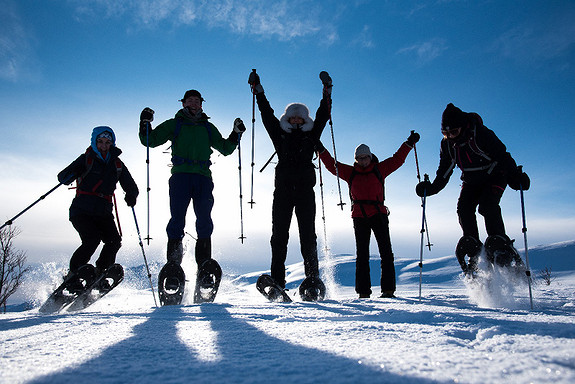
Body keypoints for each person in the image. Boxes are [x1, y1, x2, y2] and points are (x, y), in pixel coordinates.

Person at [138, 89, 245, 279]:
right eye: (190, 100)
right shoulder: (175, 124)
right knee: (177, 219)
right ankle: (173, 267)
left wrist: (235, 134)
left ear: (201, 104)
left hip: (203, 177)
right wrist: (144, 123)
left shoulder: (208, 127)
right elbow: (150, 140)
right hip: (181, 176)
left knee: (204, 220)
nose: (194, 103)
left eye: (197, 101)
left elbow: (226, 148)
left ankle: (203, 266)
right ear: (183, 103)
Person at [416, 103, 530, 274]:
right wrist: (432, 188)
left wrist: (515, 177)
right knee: (463, 208)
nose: (450, 137)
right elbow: (445, 170)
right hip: (471, 180)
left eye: (453, 132)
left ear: (462, 127)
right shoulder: (447, 144)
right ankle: (472, 246)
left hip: (495, 174)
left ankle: (500, 246)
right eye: (445, 134)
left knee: (487, 206)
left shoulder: (481, 134)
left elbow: (502, 156)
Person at [248, 71, 331, 291]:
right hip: (283, 192)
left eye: (300, 117)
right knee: (278, 236)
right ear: (288, 118)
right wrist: (259, 91)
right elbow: (267, 114)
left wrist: (327, 92)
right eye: (293, 117)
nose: (296, 120)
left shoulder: (311, 135)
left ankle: (312, 280)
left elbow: (323, 115)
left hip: (305, 192)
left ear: (305, 119)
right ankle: (278, 281)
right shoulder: (280, 134)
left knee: (308, 237)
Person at [316, 133, 419, 298]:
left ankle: (388, 290)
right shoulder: (350, 172)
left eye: (365, 157)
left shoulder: (379, 169)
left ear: (370, 157)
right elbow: (331, 165)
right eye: (359, 158)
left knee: (386, 252)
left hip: (378, 214)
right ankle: (363, 293)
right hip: (359, 216)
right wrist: (321, 149)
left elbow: (397, 159)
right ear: (356, 159)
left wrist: (408, 143)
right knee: (362, 254)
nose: (363, 160)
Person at [58, 126, 139, 291]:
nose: (104, 145)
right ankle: (74, 274)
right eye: (100, 142)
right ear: (95, 142)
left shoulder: (116, 163)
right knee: (91, 240)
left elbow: (130, 184)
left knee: (114, 241)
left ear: (112, 143)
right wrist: (74, 172)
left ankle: (101, 271)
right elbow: (63, 177)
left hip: (103, 211)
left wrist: (131, 194)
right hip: (82, 210)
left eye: (107, 142)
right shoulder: (86, 159)